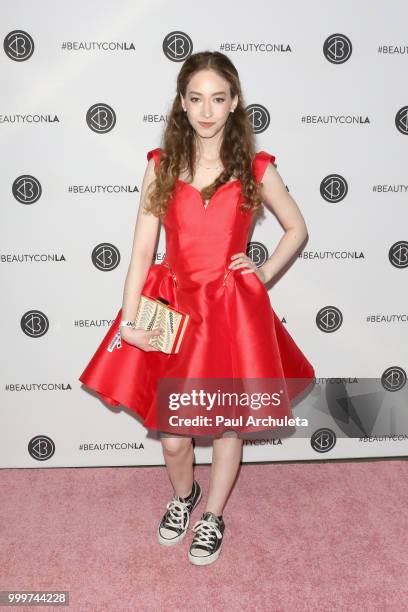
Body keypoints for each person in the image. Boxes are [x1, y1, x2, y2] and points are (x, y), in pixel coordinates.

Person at [79, 50, 315, 566]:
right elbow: (142, 249)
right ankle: (183, 497)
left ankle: (212, 514)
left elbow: (297, 228)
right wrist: (131, 318)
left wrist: (264, 271)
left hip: (231, 309)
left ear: (233, 104)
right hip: (173, 305)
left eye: (217, 98)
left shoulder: (256, 168)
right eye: (195, 98)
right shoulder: (160, 165)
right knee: (172, 436)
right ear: (181, 105)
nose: (206, 110)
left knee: (230, 422)